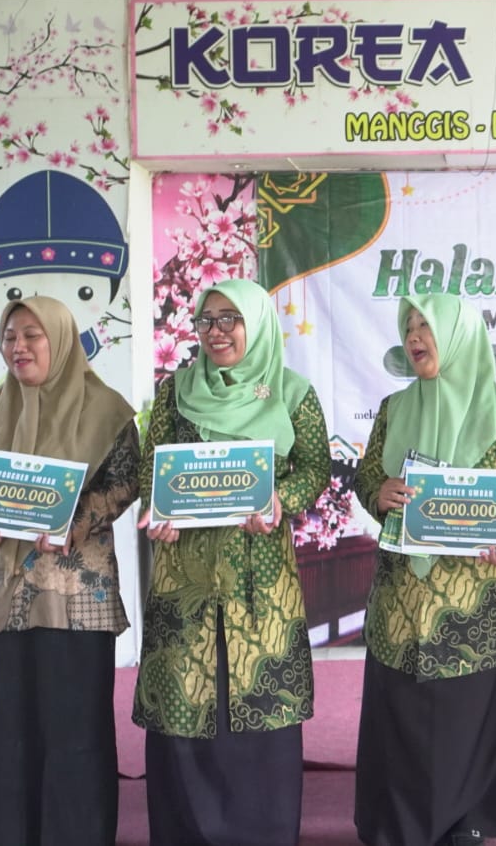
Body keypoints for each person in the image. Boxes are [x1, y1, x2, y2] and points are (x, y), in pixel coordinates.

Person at [132, 278, 332, 845]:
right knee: (184, 697)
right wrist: (158, 507)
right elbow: (152, 469)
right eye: (207, 320)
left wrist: (282, 499)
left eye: (230, 319)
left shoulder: (292, 393)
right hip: (184, 579)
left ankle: (260, 830)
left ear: (256, 324)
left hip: (259, 581)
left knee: (259, 699)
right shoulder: (175, 392)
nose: (216, 332)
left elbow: (315, 468)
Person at [352, 293, 496, 846]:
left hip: (477, 607)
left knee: (469, 717)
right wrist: (378, 492)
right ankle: (400, 824)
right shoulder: (394, 409)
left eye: (428, 326)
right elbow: (367, 476)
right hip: (402, 603)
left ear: (458, 335)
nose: (415, 336)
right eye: (409, 326)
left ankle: (469, 822)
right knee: (404, 717)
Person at [0, 296, 139, 846]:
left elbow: (126, 482)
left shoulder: (107, 411)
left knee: (76, 731)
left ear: (61, 338)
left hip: (74, 598)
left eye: (32, 334)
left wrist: (78, 520)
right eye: (10, 336)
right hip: (1, 597)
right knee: (7, 734)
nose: (19, 346)